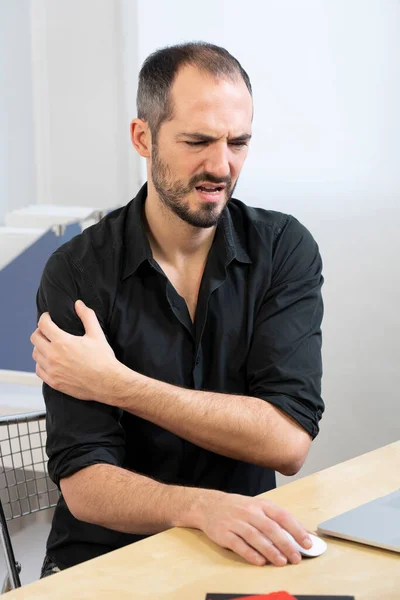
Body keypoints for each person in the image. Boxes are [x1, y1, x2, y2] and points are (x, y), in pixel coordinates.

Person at [31, 42, 324, 577]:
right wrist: (198, 507)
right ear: (143, 137)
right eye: (197, 141)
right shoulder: (77, 271)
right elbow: (86, 483)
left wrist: (116, 384)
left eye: (239, 142)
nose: (221, 165)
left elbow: (287, 442)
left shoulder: (283, 247)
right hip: (105, 561)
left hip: (237, 555)